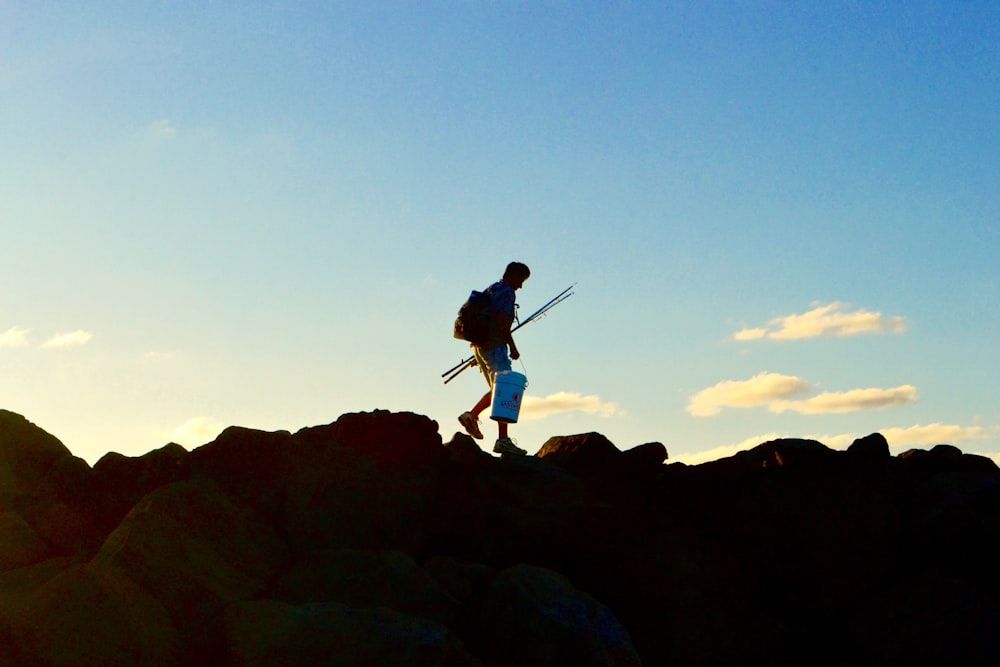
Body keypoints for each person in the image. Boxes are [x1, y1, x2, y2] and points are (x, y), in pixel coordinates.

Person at [458, 262, 530, 455]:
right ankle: (501, 439)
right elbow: (499, 319)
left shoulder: (492, 288)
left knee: (498, 389)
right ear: (514, 276)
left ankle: (473, 417)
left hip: (481, 347)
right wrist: (513, 347)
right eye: (521, 280)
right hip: (495, 347)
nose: (521, 286)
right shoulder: (507, 292)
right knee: (504, 390)